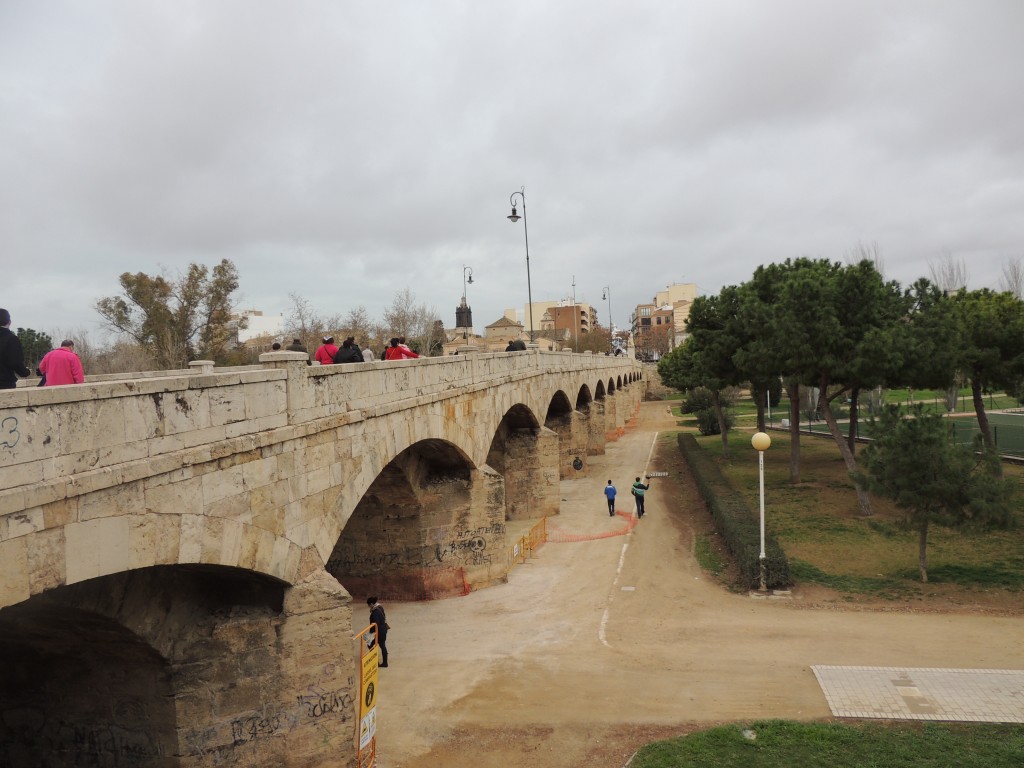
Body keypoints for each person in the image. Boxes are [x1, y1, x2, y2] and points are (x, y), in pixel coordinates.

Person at [0, 308, 30, 389]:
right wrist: (25, 372)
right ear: (9, 322)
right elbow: (15, 362)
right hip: (4, 385)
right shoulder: (11, 339)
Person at [367, 596, 389, 668]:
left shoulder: (375, 612)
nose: (368, 606)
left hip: (378, 632)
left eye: (369, 605)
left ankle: (376, 662)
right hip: (383, 630)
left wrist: (371, 634)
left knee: (370, 645)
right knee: (383, 646)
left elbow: (375, 624)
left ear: (371, 604)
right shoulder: (380, 607)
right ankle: (385, 663)